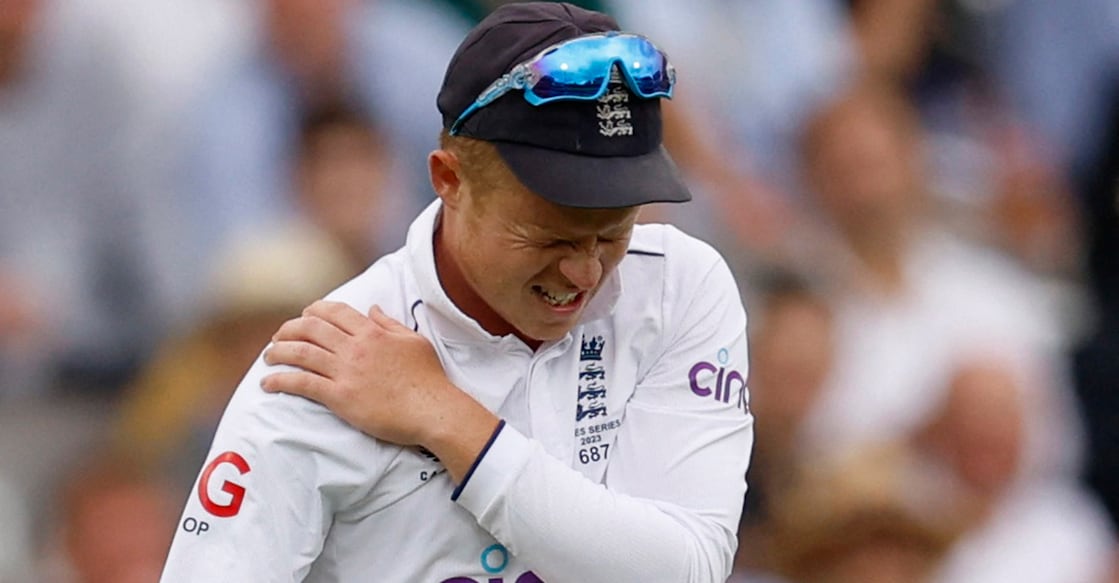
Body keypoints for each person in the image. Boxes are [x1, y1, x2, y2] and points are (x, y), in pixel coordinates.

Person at [159, 3, 754, 582]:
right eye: (549, 237)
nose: (585, 273)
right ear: (449, 180)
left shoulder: (680, 287)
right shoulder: (320, 368)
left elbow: (688, 569)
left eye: (612, 233)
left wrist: (446, 417)